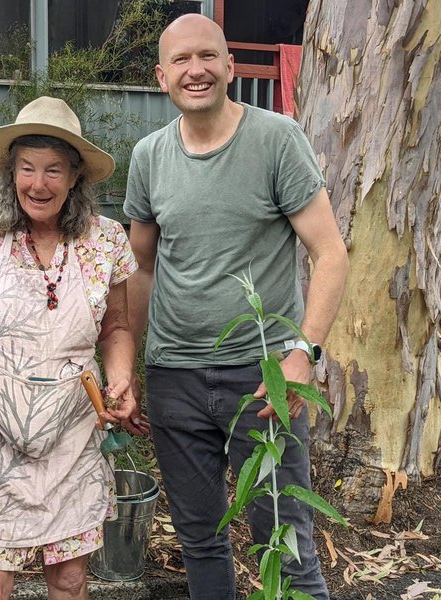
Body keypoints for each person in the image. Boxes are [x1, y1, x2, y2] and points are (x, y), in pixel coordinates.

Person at [124, 14, 349, 600]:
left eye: (207, 56)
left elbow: (330, 252)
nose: (195, 70)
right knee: (200, 542)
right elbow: (141, 267)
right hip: (174, 376)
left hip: (263, 376)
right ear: (161, 77)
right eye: (180, 60)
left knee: (286, 546)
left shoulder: (276, 139)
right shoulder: (149, 156)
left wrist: (302, 355)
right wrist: (128, 368)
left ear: (229, 66)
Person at [0, 95, 140, 600]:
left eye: (53, 170)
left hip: (73, 428)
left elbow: (116, 327)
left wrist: (121, 380)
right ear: (11, 172)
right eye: (27, 167)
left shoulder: (106, 239)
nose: (38, 183)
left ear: (75, 177)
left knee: (70, 579)